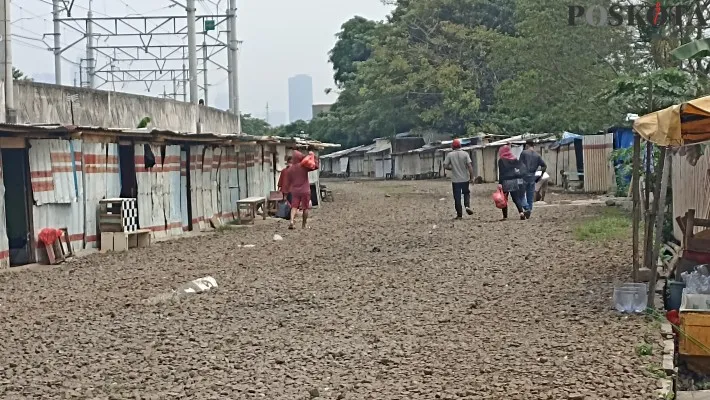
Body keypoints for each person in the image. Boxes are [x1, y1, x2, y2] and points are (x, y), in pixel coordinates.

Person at [443, 139, 475, 219]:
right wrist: (472, 177)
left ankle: (459, 215)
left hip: (455, 180)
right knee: (466, 193)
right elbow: (469, 166)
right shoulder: (465, 154)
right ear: (460, 146)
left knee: (457, 197)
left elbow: (445, 165)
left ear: (452, 146)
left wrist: (452, 168)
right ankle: (467, 206)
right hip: (465, 179)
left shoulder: (450, 155)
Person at [286, 150, 318, 229]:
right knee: (305, 208)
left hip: (295, 191)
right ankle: (304, 225)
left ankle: (292, 221)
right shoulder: (303, 166)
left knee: (294, 207)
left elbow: (289, 180)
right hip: (305, 190)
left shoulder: (290, 169)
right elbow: (315, 166)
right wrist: (313, 156)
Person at [497, 145, 528, 220]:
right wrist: (519, 174)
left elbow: (501, 173)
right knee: (516, 198)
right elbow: (521, 166)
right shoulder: (513, 159)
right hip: (514, 181)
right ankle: (521, 213)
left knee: (504, 199)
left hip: (505, 181)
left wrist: (500, 183)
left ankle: (505, 216)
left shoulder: (501, 160)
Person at [519, 142, 547, 217]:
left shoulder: (524, 153)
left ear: (527, 145)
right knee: (530, 195)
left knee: (520, 194)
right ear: (533, 146)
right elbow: (544, 166)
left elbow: (520, 164)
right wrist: (539, 175)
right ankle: (529, 212)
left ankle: (527, 208)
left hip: (524, 176)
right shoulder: (537, 155)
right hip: (532, 176)